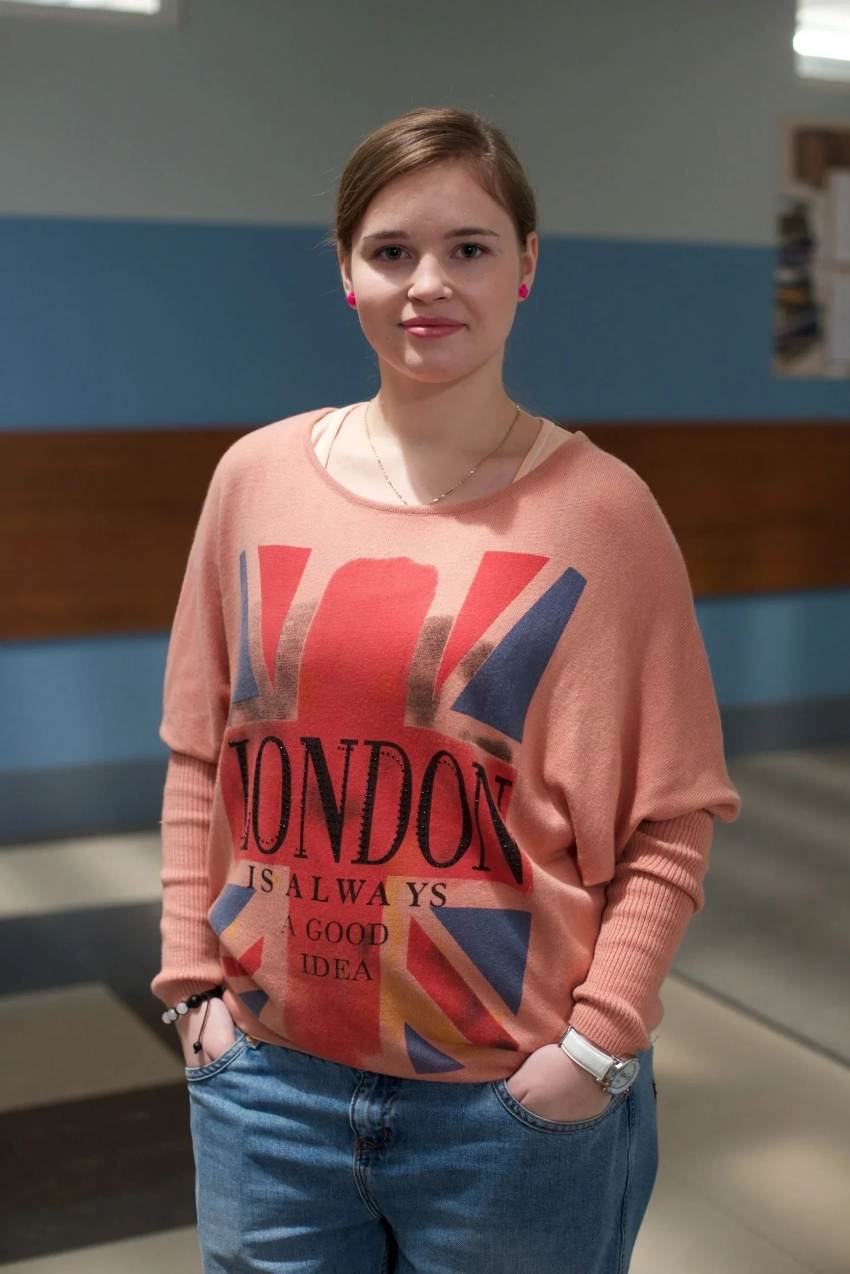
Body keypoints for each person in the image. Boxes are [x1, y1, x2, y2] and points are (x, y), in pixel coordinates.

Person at [153, 106, 741, 1274]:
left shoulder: (601, 512)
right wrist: (191, 991)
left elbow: (673, 815)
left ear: (526, 265)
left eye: (469, 247)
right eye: (391, 250)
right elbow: (198, 755)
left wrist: (595, 1046)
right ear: (345, 271)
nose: (428, 282)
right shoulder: (253, 479)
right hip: (267, 1091)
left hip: (506, 1112)